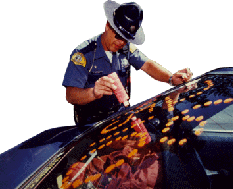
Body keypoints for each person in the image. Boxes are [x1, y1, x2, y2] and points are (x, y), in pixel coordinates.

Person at [62, 0, 192, 126]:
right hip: (91, 124)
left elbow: (147, 65)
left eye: (126, 39)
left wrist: (170, 79)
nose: (121, 43)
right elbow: (71, 95)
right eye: (118, 36)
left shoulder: (126, 48)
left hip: (120, 116)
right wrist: (93, 92)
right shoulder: (84, 54)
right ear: (107, 25)